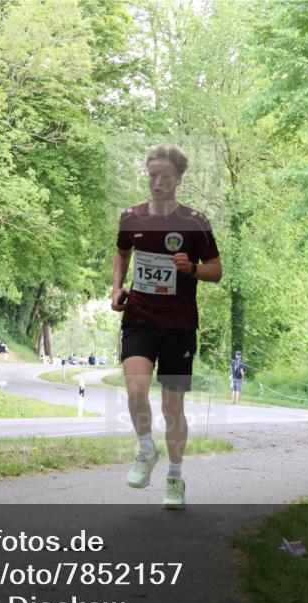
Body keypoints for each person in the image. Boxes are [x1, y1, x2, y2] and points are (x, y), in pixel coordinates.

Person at [111, 144, 222, 510]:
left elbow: (216, 270)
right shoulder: (132, 218)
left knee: (172, 408)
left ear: (178, 179)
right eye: (152, 175)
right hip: (139, 319)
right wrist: (116, 287)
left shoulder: (195, 222)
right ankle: (146, 449)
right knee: (135, 388)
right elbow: (122, 252)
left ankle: (174, 477)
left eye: (165, 177)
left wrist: (191, 268)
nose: (157, 183)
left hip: (179, 326)